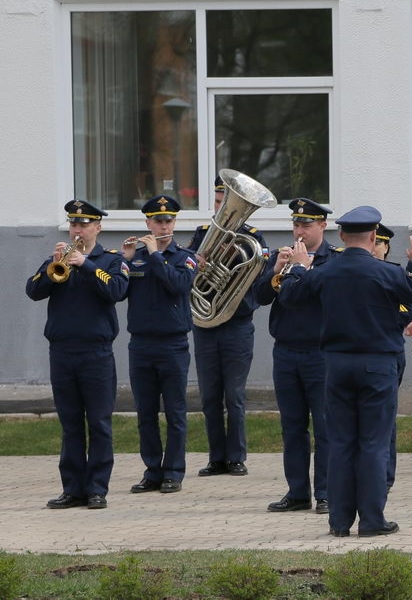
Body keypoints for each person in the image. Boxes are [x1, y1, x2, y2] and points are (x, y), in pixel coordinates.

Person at [278, 205, 412, 537]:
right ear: (372, 236)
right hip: (377, 366)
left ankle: (339, 521)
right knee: (372, 443)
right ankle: (371, 520)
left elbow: (291, 297)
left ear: (341, 235)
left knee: (340, 442)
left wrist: (298, 267)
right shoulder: (386, 272)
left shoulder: (326, 272)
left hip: (336, 366)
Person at [26, 200, 129, 509]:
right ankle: (72, 489)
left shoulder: (110, 260)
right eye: (73, 224)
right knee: (70, 424)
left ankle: (97, 488)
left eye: (84, 225)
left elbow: (117, 291)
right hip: (62, 352)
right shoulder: (56, 259)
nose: (77, 230)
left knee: (98, 422)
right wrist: (51, 267)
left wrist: (85, 264)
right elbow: (33, 291)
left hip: (96, 353)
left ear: (98, 227)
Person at [253, 199, 337, 514]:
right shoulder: (280, 257)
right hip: (286, 350)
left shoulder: (333, 260)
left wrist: (302, 268)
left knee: (325, 426)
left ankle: (327, 493)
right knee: (292, 426)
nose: (300, 231)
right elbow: (259, 297)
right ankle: (298, 492)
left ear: (322, 226)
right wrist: (275, 271)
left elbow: (324, 296)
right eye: (296, 225)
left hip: (319, 352)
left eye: (307, 225)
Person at [188, 175, 268, 478]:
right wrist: (199, 263)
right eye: (220, 204)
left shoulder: (253, 238)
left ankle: (236, 457)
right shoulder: (201, 235)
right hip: (206, 324)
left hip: (237, 324)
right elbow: (190, 276)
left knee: (234, 395)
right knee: (209, 396)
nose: (224, 210)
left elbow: (259, 280)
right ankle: (215, 457)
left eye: (227, 204)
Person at [122, 195, 198, 495]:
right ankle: (152, 470)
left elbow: (177, 286)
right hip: (140, 344)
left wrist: (155, 256)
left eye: (168, 220)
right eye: (157, 220)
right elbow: (118, 293)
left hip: (173, 345)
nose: (163, 224)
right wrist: (126, 261)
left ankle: (174, 472)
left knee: (176, 412)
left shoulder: (186, 257)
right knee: (145, 413)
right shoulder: (137, 256)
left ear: (175, 223)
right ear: (148, 223)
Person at [373, 223, 412, 492]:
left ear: (386, 247)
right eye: (371, 240)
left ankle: (385, 476)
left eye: (379, 242)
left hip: (389, 353)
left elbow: (407, 310)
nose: (374, 246)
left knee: (385, 417)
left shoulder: (396, 275)